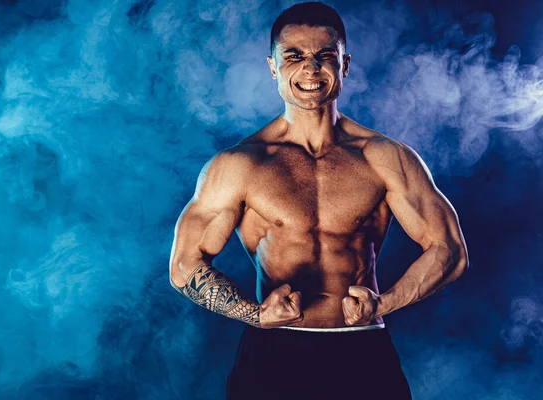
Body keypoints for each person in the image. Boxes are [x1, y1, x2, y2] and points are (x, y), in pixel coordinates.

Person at [169, 2, 469, 399]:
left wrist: (385, 304)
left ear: (344, 64)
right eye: (293, 56)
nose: (310, 68)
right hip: (274, 352)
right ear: (273, 67)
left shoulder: (385, 158)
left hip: (363, 352)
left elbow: (449, 250)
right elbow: (184, 265)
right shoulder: (240, 164)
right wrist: (256, 315)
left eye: (325, 55)